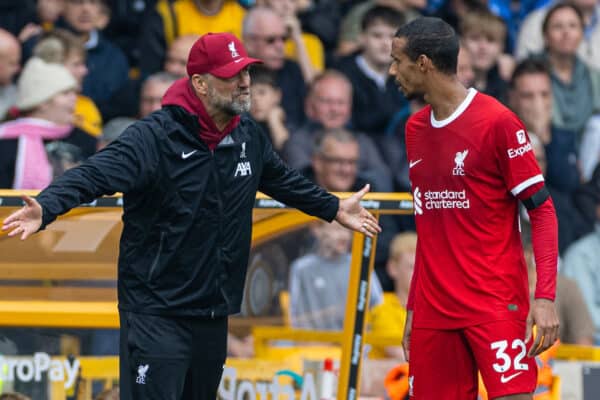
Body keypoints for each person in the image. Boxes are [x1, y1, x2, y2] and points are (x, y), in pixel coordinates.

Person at [1, 32, 381, 400]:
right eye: (232, 76)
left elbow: (281, 179)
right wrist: (47, 207)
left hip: (213, 308)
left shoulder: (247, 134)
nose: (244, 83)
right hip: (156, 310)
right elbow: (92, 174)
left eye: (246, 73)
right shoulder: (154, 137)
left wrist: (332, 207)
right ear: (200, 83)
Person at [389, 17, 559, 399]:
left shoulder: (498, 122)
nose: (391, 71)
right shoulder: (414, 130)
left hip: (494, 303)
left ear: (423, 63)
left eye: (397, 60)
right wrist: (414, 309)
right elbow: (428, 230)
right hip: (434, 311)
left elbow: (543, 211)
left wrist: (544, 296)